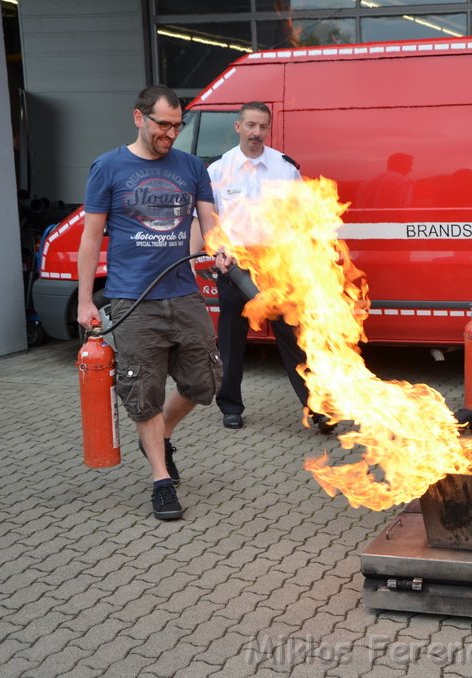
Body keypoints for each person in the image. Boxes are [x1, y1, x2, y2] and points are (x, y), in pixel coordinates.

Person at [77, 85, 225, 520]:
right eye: (164, 124)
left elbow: (208, 220)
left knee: (205, 383)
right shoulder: (107, 167)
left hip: (182, 293)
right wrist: (86, 299)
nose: (171, 133)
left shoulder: (192, 166)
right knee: (143, 392)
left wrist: (219, 248)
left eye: (178, 125)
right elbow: (90, 237)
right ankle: (161, 480)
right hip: (132, 299)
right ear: (138, 117)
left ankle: (159, 435)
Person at [207, 102, 333, 433]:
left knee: (293, 338)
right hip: (233, 266)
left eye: (262, 126)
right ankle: (230, 406)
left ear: (268, 128)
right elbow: (208, 222)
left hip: (277, 266)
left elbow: (302, 218)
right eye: (250, 125)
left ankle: (315, 407)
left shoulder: (284, 168)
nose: (256, 132)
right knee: (232, 342)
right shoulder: (219, 171)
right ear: (238, 127)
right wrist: (216, 253)